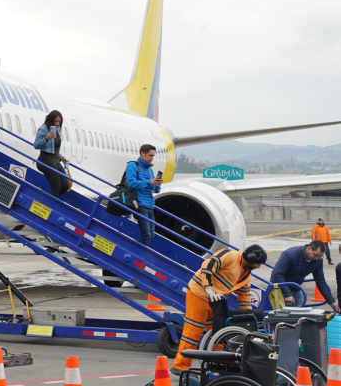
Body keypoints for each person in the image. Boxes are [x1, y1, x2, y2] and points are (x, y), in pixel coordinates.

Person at [171, 245, 267, 374]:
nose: (258, 267)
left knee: (219, 335)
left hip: (215, 301)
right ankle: (179, 367)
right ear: (251, 257)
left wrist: (249, 317)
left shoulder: (245, 275)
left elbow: (244, 298)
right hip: (198, 294)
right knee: (193, 332)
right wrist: (208, 287)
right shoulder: (230, 255)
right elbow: (208, 265)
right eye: (258, 264)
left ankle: (217, 366)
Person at [270, 240, 339, 310]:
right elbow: (278, 274)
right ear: (309, 248)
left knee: (297, 315)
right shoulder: (290, 254)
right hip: (279, 288)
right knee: (280, 315)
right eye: (316, 255)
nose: (317, 258)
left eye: (320, 256)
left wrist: (331, 302)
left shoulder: (317, 261)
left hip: (295, 288)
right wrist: (288, 294)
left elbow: (320, 281)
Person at [127, 144, 162, 246]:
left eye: (153, 156)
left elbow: (155, 190)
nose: (152, 158)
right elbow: (132, 184)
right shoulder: (133, 165)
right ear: (142, 154)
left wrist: (157, 185)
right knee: (146, 235)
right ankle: (133, 254)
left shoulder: (149, 170)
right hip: (140, 204)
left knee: (151, 236)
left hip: (150, 205)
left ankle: (135, 253)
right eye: (150, 155)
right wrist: (149, 182)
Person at [33, 110, 70, 198]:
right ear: (51, 120)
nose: (57, 124)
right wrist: (46, 138)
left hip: (54, 158)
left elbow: (54, 149)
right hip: (45, 158)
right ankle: (48, 207)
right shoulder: (43, 129)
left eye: (59, 122)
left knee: (65, 185)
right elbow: (36, 145)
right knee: (56, 187)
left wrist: (61, 157)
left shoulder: (56, 130)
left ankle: (51, 203)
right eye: (56, 121)